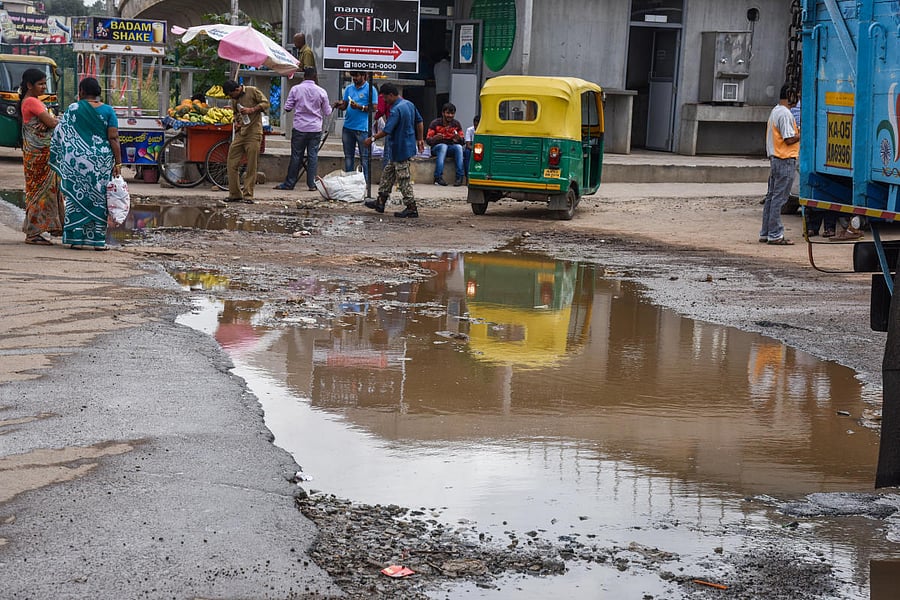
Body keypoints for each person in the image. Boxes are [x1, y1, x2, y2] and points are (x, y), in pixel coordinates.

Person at [50, 77, 122, 251]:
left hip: (77, 161)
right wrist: (118, 162)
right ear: (98, 92)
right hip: (101, 162)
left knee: (76, 197)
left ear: (81, 91)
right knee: (99, 199)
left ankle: (76, 239)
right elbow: (113, 137)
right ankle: (97, 241)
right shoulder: (108, 111)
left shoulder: (73, 109)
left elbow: (60, 133)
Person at [363, 83, 425, 218]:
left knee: (403, 179)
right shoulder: (409, 104)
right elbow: (419, 121)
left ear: (391, 95)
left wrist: (372, 139)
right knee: (387, 174)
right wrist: (420, 139)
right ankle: (380, 202)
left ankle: (411, 207)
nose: (384, 101)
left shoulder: (396, 110)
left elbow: (387, 130)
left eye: (385, 98)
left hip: (400, 148)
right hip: (404, 147)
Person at [19, 68, 61, 246]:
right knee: (40, 192)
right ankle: (34, 233)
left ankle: (36, 229)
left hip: (39, 154)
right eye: (41, 84)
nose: (44, 87)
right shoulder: (32, 102)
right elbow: (51, 122)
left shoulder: (33, 101)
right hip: (40, 156)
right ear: (30, 85)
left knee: (39, 191)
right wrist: (58, 120)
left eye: (45, 83)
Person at [275, 66, 332, 192]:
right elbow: (327, 112)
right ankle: (311, 184)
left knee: (296, 156)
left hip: (300, 127)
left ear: (304, 76)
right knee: (313, 156)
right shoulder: (321, 91)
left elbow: (287, 107)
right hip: (315, 129)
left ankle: (289, 183)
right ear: (315, 76)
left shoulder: (296, 89)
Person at [759, 85, 800, 245]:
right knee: (779, 198)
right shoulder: (784, 113)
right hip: (784, 158)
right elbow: (789, 138)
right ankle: (775, 234)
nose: (798, 99)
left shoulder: (776, 111)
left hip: (776, 158)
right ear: (789, 95)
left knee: (771, 197)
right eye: (796, 95)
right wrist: (802, 133)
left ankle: (766, 232)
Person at [222, 79, 269, 204]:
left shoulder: (252, 91)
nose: (232, 98)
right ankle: (234, 193)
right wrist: (236, 122)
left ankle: (248, 194)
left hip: (254, 133)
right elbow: (235, 113)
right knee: (231, 162)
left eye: (232, 95)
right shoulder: (234, 99)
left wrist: (252, 110)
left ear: (237, 89)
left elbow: (266, 103)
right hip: (241, 133)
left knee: (251, 165)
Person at [332, 72, 372, 183]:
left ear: (363, 76)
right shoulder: (349, 88)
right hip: (348, 126)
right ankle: (349, 181)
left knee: (364, 157)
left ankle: (365, 182)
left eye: (357, 76)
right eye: (353, 76)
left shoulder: (370, 89)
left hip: (362, 128)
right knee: (348, 156)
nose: (354, 78)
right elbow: (344, 106)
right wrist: (339, 104)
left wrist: (360, 107)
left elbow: (373, 108)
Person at [426, 102, 465, 186]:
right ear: (443, 113)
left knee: (458, 147)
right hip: (437, 148)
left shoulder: (456, 124)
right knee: (443, 146)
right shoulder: (435, 123)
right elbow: (428, 140)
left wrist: (459, 139)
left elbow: (463, 141)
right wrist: (435, 138)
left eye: (452, 113)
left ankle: (460, 177)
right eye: (448, 113)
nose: (450, 115)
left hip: (450, 148)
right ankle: (438, 177)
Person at [462, 114, 480, 184]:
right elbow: (468, 145)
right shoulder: (470, 130)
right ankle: (467, 176)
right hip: (472, 148)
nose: (476, 127)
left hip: (480, 149)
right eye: (475, 125)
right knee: (467, 153)